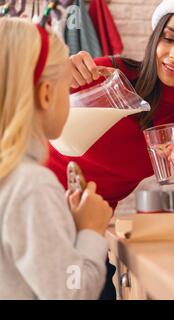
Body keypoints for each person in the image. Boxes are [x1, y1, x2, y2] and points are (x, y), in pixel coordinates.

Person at [46, 0, 174, 300]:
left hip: (85, 231)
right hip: (35, 212)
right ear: (155, 40)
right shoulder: (109, 76)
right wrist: (55, 75)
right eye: (168, 39)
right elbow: (26, 106)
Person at [0, 18, 113, 299]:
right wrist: (90, 230)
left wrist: (65, 225)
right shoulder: (31, 185)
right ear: (47, 94)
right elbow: (72, 292)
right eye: (66, 91)